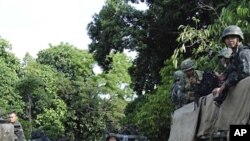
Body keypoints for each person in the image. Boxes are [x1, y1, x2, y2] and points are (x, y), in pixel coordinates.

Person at [212, 25, 250, 106]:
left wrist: (225, 85)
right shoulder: (234, 56)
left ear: (238, 38)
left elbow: (245, 72)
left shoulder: (244, 52)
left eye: (232, 37)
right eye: (227, 38)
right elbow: (231, 72)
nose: (230, 40)